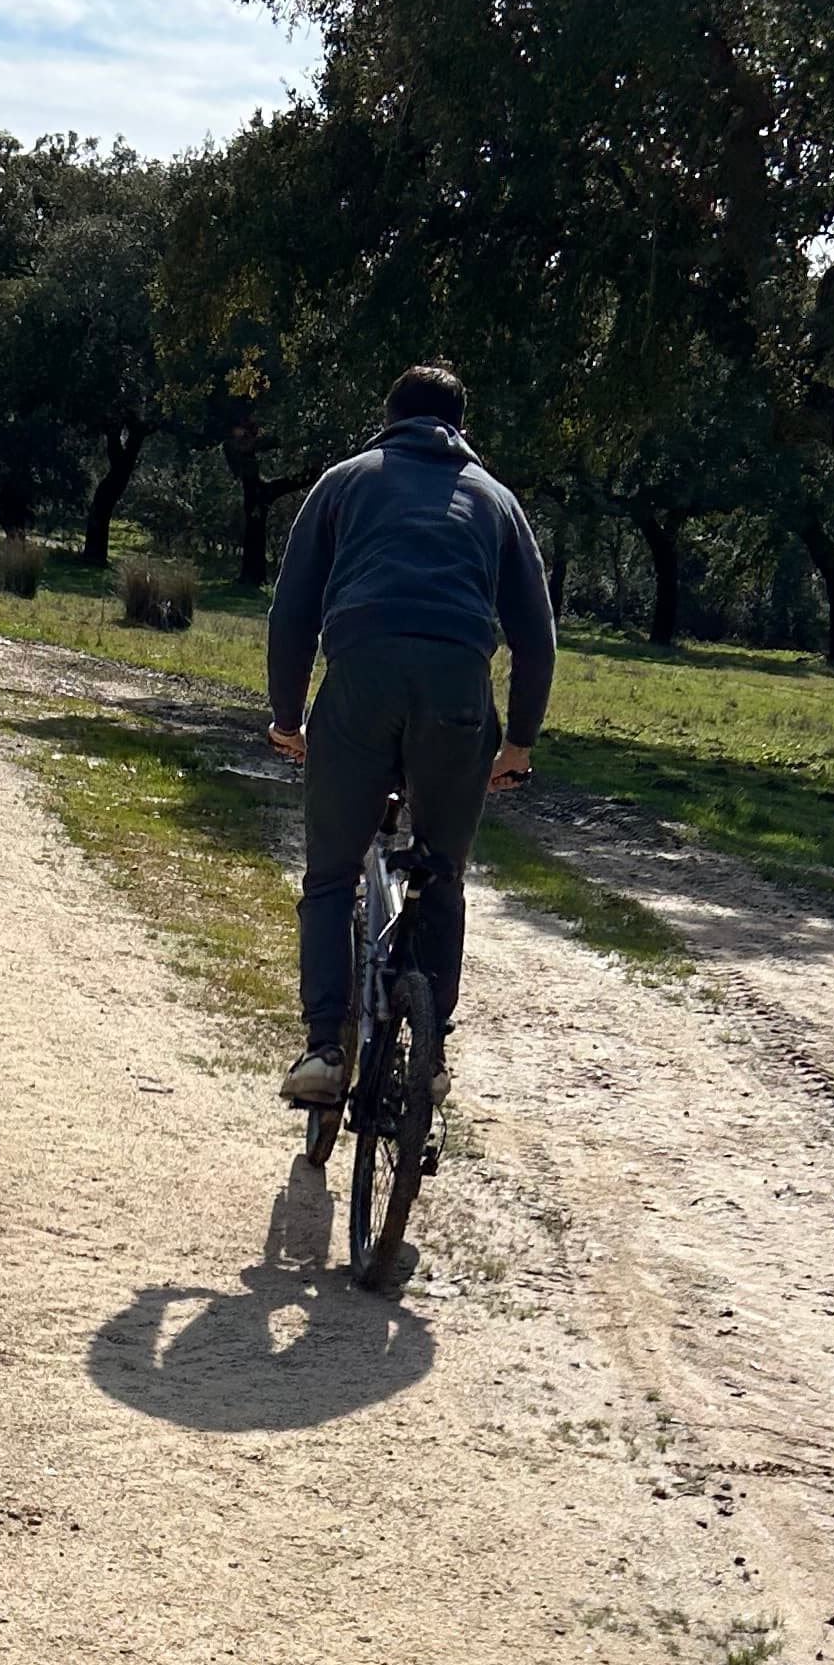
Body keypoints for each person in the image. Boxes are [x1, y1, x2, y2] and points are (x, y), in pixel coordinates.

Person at [264, 363, 555, 1107]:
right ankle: (430, 1053)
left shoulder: (343, 482)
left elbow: (293, 611)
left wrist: (288, 719)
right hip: (458, 690)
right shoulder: (497, 500)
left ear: (388, 419)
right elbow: (536, 635)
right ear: (461, 427)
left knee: (332, 873)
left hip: (360, 681)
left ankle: (324, 1049)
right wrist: (519, 743)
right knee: (443, 871)